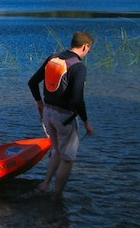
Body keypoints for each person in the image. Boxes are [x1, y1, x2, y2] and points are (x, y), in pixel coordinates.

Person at [28, 31, 95, 195]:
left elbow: (32, 82)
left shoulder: (53, 58)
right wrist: (86, 121)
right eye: (89, 48)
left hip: (48, 113)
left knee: (57, 150)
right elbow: (77, 99)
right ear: (85, 47)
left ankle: (45, 184)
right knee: (68, 158)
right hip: (64, 118)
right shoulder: (78, 67)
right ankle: (57, 196)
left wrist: (39, 103)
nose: (89, 52)